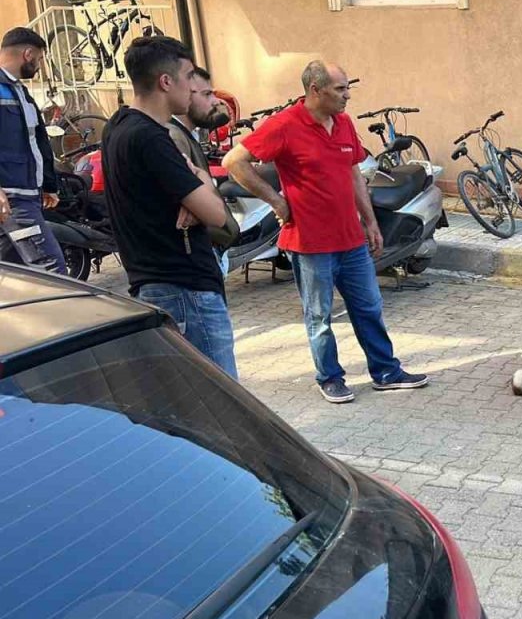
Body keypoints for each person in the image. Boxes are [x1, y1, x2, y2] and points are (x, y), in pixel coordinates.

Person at [223, 60, 429, 404]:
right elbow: (234, 162)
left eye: (348, 88)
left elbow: (353, 174)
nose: (347, 96)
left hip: (351, 239)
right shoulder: (285, 125)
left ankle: (386, 372)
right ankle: (330, 377)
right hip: (310, 243)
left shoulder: (344, 123)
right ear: (315, 90)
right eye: (340, 89)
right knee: (319, 317)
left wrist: (370, 222)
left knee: (369, 308)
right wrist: (277, 201)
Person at [100, 36, 238, 378]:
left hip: (157, 284)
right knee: (220, 399)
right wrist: (199, 177)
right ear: (165, 81)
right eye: (188, 77)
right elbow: (217, 215)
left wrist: (192, 192)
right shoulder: (151, 138)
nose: (193, 88)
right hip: (185, 290)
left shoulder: (117, 125)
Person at [0, 27, 65, 274]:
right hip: (13, 198)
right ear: (27, 54)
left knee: (16, 277)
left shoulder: (19, 90)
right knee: (52, 271)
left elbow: (37, 140)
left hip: (26, 194)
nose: (39, 66)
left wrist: (47, 184)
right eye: (38, 59)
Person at [166, 65, 235, 274]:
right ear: (186, 94)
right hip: (196, 254)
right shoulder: (174, 135)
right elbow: (188, 203)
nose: (214, 101)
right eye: (207, 94)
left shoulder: (187, 134)